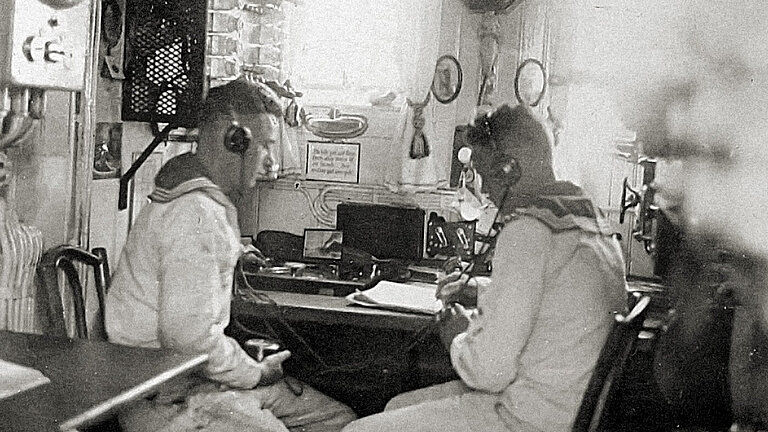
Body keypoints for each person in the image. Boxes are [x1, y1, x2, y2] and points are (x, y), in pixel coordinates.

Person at [341, 103, 627, 432]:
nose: (484, 188)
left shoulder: (528, 231)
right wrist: (481, 291)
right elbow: (554, 304)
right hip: (565, 411)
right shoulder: (590, 224)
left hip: (528, 420)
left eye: (483, 171)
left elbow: (489, 372)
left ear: (509, 169)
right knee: (397, 406)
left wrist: (457, 337)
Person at [105, 77, 356, 432]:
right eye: (266, 147)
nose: (270, 163)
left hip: (187, 381)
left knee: (338, 420)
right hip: (165, 398)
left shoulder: (193, 196)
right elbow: (190, 341)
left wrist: (237, 251)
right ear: (234, 141)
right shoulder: (196, 216)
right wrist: (255, 373)